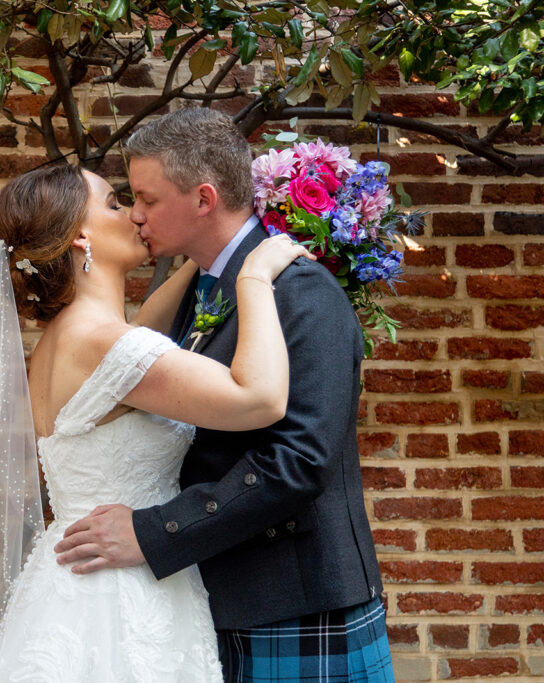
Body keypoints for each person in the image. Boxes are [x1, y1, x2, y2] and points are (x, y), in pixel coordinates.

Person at [0, 160, 312, 682]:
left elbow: (144, 322)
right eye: (114, 202)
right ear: (80, 237)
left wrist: (210, 248)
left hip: (75, 581)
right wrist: (253, 275)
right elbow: (259, 399)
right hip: (118, 597)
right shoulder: (105, 346)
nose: (134, 214)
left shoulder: (72, 337)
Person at [54, 107, 394, 681]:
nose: (136, 215)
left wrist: (155, 530)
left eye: (147, 199)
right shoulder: (203, 287)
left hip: (292, 600)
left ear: (204, 199)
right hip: (218, 593)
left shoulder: (300, 290)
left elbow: (299, 463)